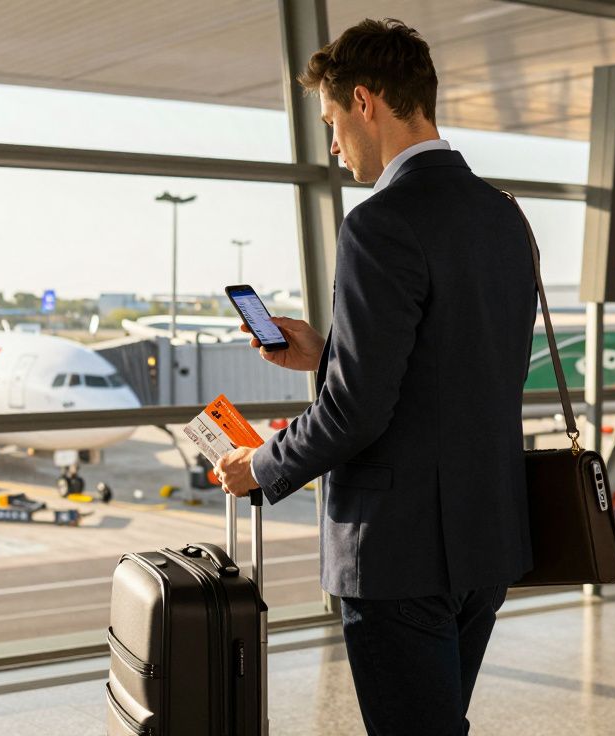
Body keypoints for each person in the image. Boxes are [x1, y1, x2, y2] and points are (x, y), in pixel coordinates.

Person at [215, 18, 536, 735]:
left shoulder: (379, 223)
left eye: (332, 121)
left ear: (365, 101)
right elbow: (462, 365)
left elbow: (354, 414)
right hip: (485, 542)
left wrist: (259, 466)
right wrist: (331, 352)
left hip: (398, 553)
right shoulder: (504, 216)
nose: (332, 146)